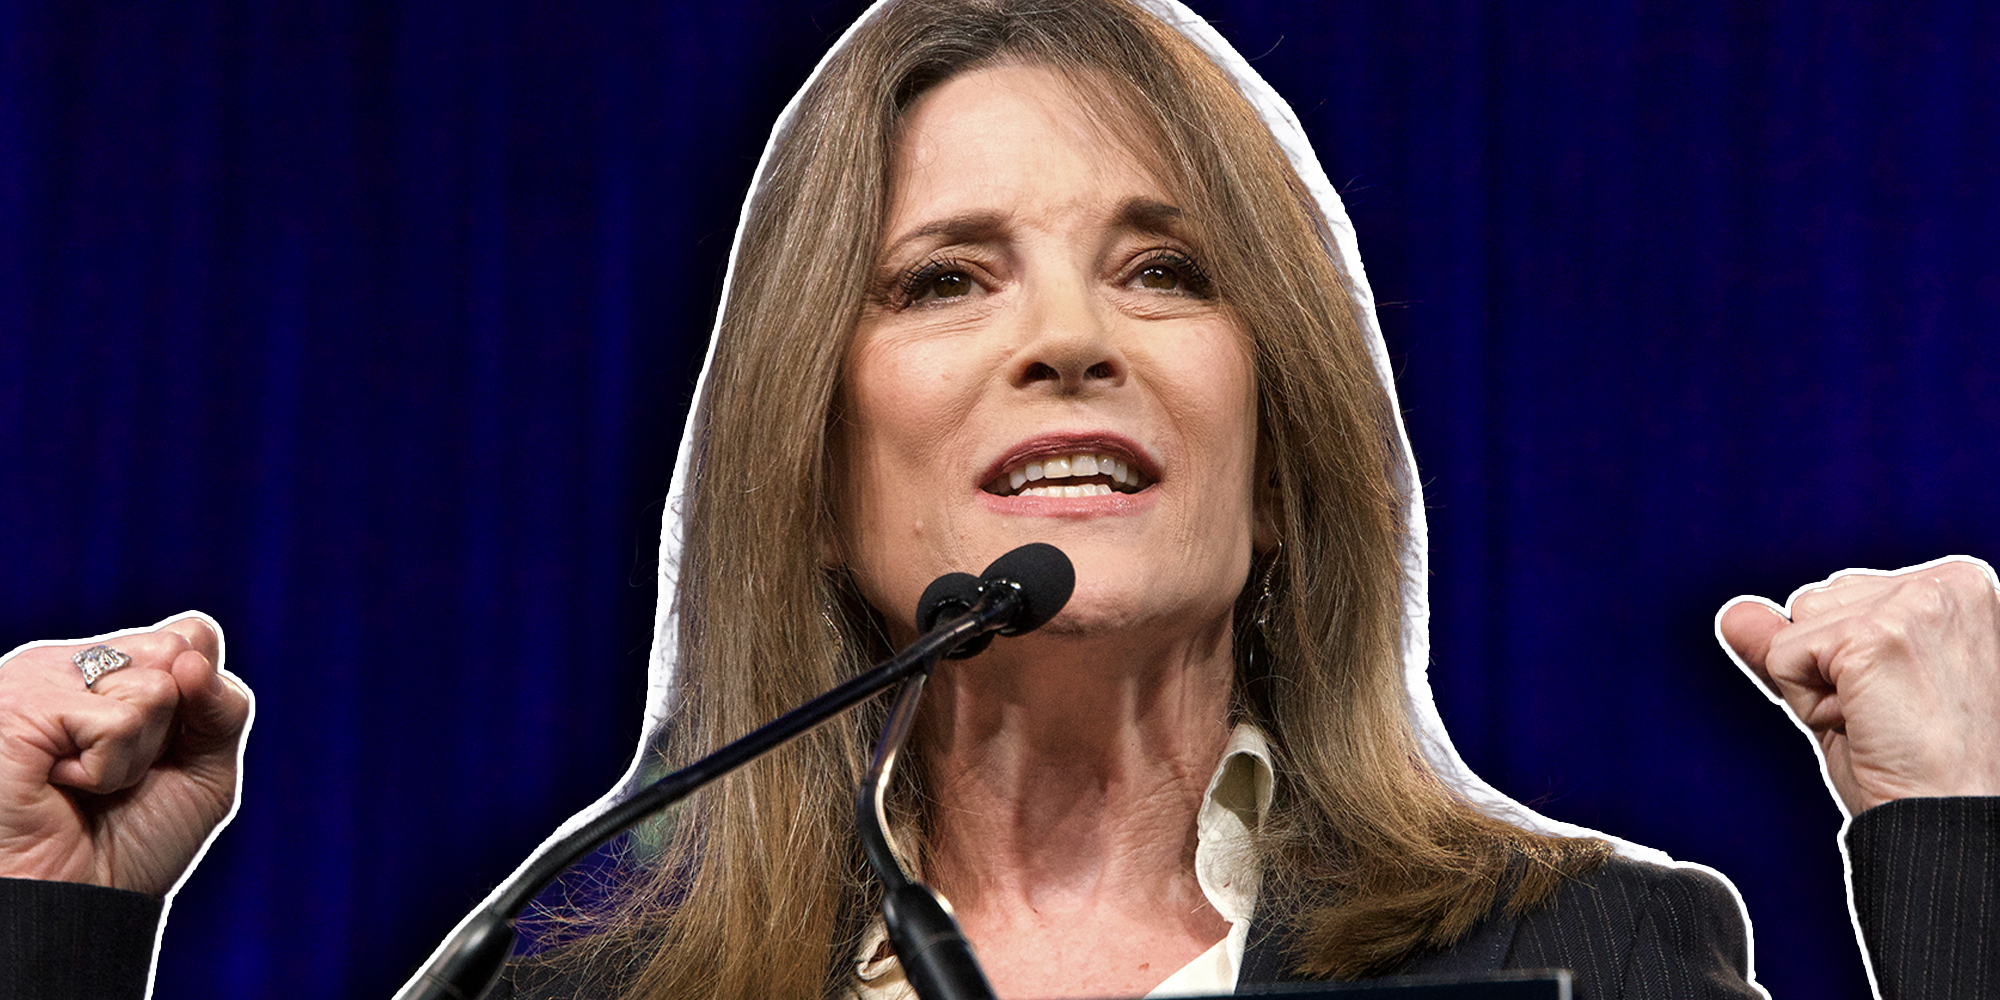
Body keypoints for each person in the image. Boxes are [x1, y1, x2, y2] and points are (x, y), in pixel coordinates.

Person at [0, 2, 1992, 999]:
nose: (1069, 337)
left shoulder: (1594, 951)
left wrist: (1957, 842)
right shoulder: (586, 974)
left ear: (1285, 456)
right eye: (946, 275)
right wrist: (53, 926)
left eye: (1166, 266)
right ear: (811, 450)